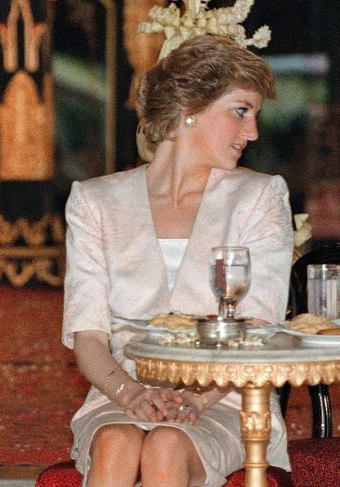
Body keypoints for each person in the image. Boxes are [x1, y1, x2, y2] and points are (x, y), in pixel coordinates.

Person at [63, 35, 293, 487]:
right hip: (119, 392)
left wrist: (196, 400)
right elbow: (88, 336)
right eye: (241, 111)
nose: (252, 133)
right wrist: (130, 393)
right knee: (116, 441)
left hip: (227, 398)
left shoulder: (260, 198)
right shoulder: (95, 201)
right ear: (190, 106)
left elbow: (259, 329)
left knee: (166, 444)